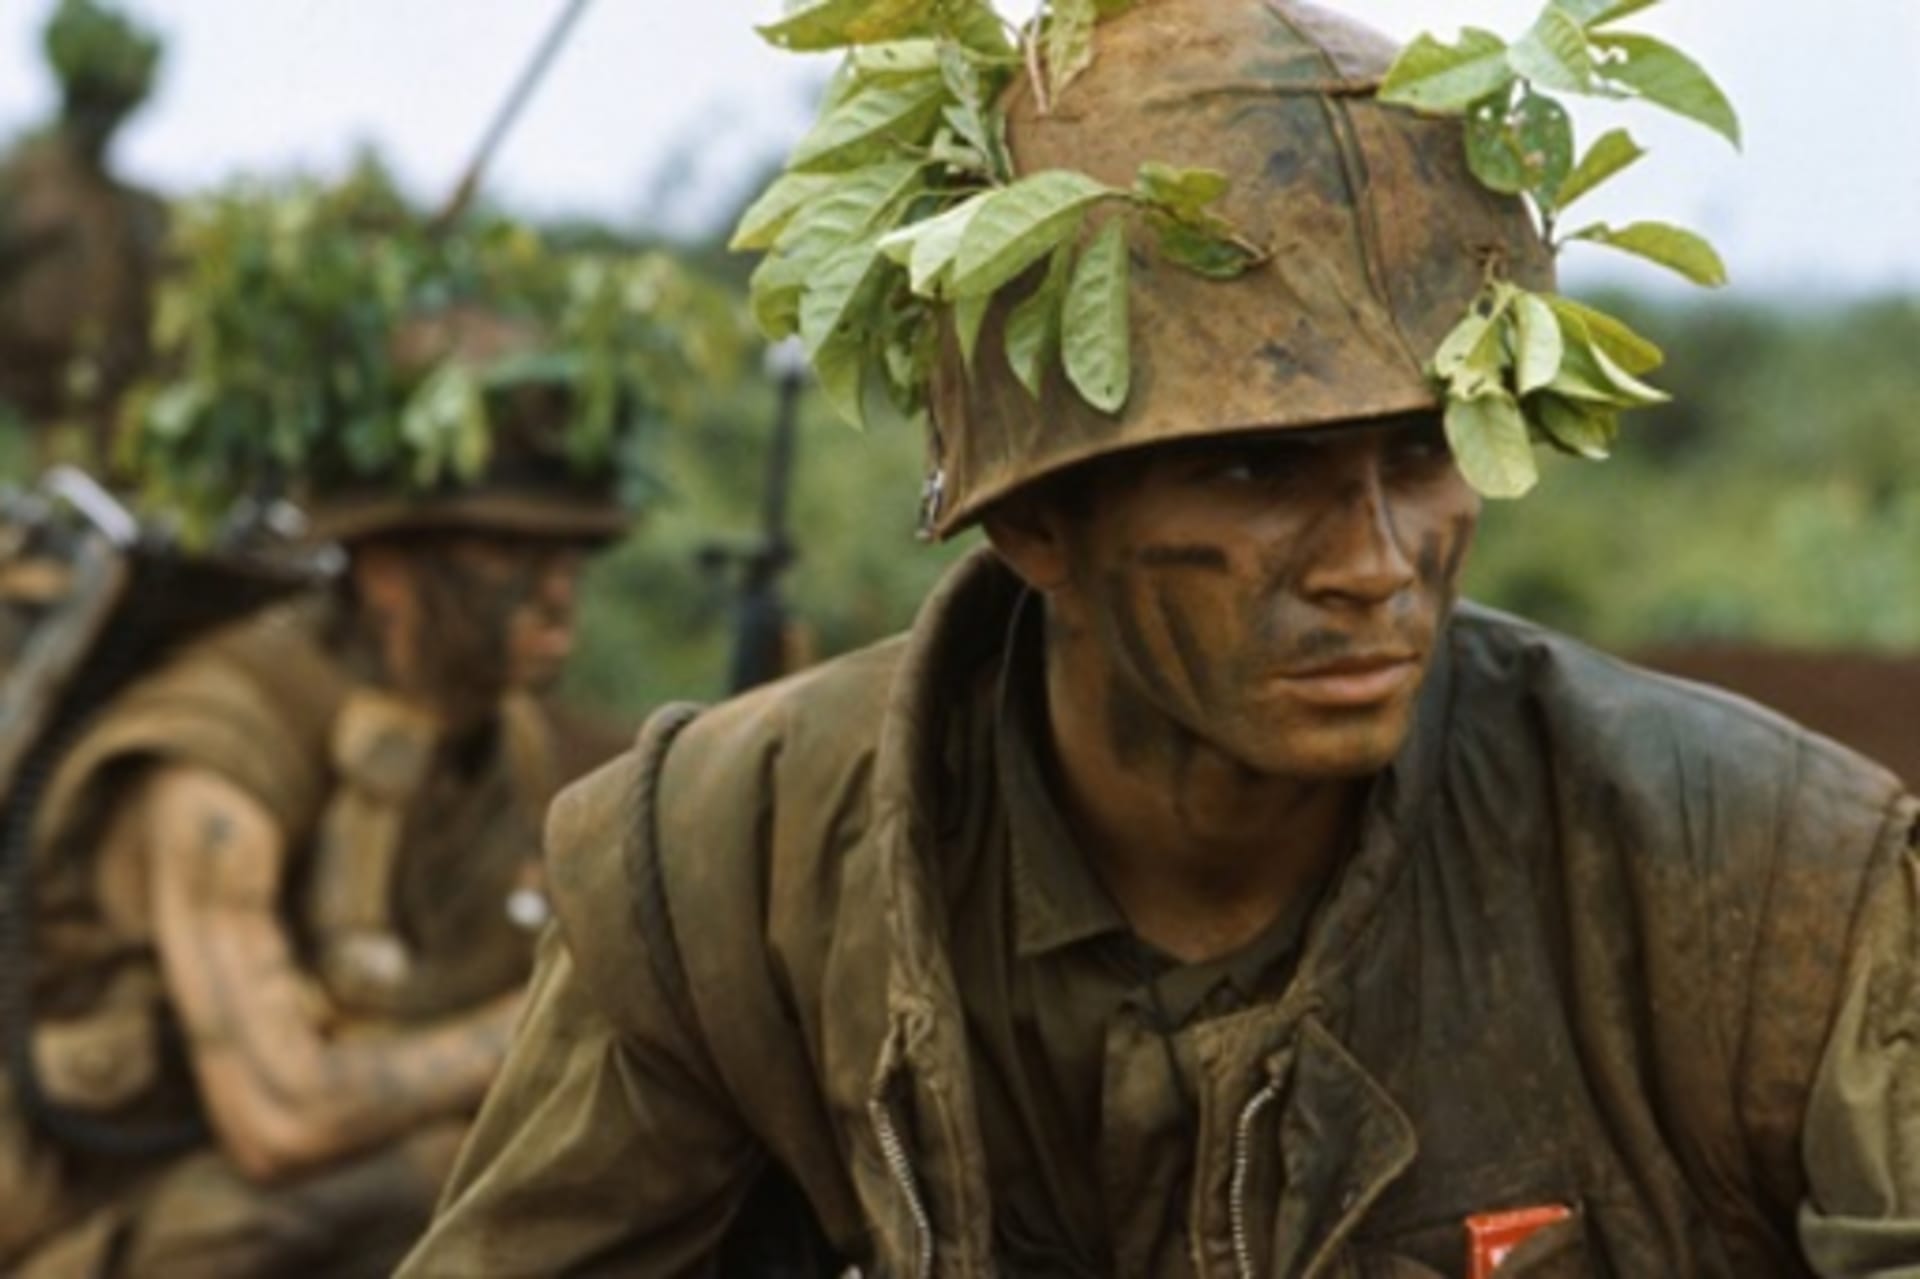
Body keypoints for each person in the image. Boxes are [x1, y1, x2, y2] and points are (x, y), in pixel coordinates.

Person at [405, 1, 1920, 1275]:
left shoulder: (1756, 874)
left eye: (1420, 453)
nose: (1375, 564)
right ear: (1037, 522)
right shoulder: (733, 869)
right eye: (1262, 468)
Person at [0, 306, 633, 1278]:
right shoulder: (217, 762)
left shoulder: (503, 737)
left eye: (572, 555)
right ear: (387, 568)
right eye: (511, 553)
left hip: (293, 1204)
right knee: (464, 1177)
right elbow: (279, 1123)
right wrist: (555, 1020)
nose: (559, 594)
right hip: (107, 1227)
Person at [0, 0, 167, 467]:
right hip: (19, 426)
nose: (104, 122)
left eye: (115, 108)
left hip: (106, 437)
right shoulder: (23, 182)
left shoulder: (132, 206)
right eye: (95, 102)